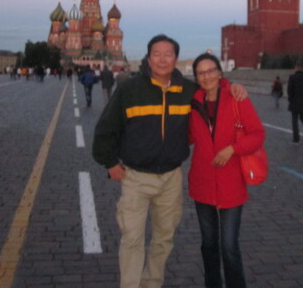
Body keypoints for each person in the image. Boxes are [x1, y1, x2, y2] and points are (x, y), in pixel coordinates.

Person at [92, 34, 246, 288]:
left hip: (171, 178)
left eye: (168, 54)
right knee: (132, 238)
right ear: (148, 58)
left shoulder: (188, 91)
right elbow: (105, 128)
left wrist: (232, 85)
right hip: (136, 177)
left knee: (164, 239)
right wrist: (110, 162)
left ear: (175, 58)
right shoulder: (130, 90)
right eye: (157, 54)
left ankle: (151, 283)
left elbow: (212, 87)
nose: (162, 59)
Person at [189, 53, 264, 288]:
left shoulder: (235, 97)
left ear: (220, 72)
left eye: (211, 71)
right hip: (202, 183)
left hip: (231, 183)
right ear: (196, 77)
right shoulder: (193, 103)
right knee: (209, 244)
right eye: (201, 73)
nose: (207, 76)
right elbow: (186, 137)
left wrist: (233, 149)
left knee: (229, 246)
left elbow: (257, 134)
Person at [287, 61, 303, 144]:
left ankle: (296, 139)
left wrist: (290, 99)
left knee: (295, 121)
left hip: (294, 102)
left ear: (296, 68)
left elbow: (289, 90)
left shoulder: (292, 77)